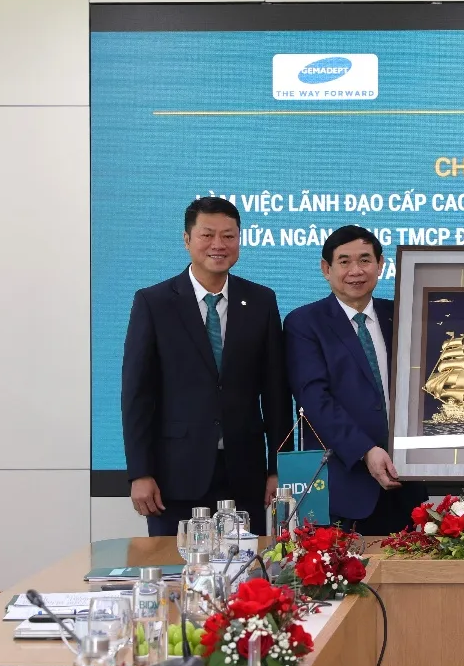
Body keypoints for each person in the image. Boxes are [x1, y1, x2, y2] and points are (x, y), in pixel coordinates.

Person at [121, 197, 292, 536]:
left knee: (247, 565)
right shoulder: (153, 302)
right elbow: (137, 395)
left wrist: (278, 469)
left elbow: (276, 393)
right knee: (176, 565)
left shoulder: (261, 300)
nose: (218, 244)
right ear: (187, 240)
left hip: (246, 475)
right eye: (207, 235)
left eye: (228, 236)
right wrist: (140, 472)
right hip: (175, 476)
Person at [284, 225, 426, 535]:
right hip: (344, 486)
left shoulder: (403, 314)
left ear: (380, 264)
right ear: (326, 269)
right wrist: (366, 450)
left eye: (365, 260)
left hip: (408, 485)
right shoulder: (304, 323)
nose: (356, 271)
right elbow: (315, 400)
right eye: (344, 261)